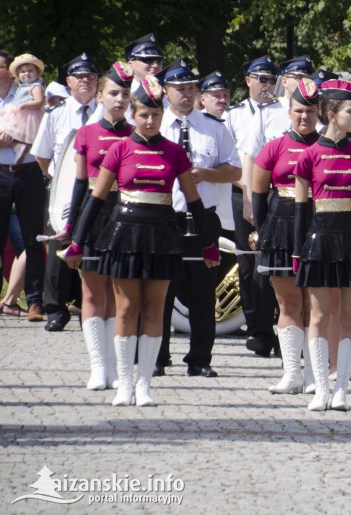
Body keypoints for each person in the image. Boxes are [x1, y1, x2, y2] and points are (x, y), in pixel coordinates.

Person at [62, 76, 220, 407]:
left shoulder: (175, 152)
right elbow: (96, 198)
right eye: (143, 115)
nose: (149, 121)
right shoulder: (119, 149)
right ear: (134, 114)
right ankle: (124, 383)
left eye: (155, 116)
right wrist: (76, 241)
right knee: (126, 308)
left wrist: (209, 243)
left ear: (162, 115)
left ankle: (145, 383)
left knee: (154, 308)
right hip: (124, 235)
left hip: (162, 236)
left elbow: (193, 201)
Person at [293, 79, 351, 412]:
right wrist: (299, 251)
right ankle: (321, 388)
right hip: (319, 240)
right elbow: (301, 210)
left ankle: (341, 387)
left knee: (350, 315)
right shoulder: (310, 156)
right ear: (331, 114)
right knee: (319, 315)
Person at [156, 59, 242, 378]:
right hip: (166, 218)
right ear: (166, 92)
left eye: (191, 88)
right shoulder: (156, 127)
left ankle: (199, 359)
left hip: (204, 219)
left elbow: (235, 170)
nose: (187, 94)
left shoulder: (213, 128)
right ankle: (157, 356)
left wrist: (207, 173)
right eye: (180, 89)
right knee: (161, 292)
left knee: (203, 295)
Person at [63, 62, 134, 390]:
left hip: (126, 215)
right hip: (94, 213)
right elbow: (80, 183)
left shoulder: (136, 134)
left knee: (120, 294)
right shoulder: (86, 133)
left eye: (125, 93)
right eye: (114, 93)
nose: (120, 99)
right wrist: (72, 224)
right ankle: (98, 366)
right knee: (92, 292)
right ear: (101, 96)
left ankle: (118, 366)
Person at [252, 78, 321, 394]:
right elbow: (258, 193)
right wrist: (263, 232)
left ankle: (314, 374)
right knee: (288, 303)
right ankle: (292, 371)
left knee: (314, 305)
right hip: (281, 226)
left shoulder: (327, 147)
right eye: (298, 111)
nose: (304, 117)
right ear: (289, 111)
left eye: (309, 111)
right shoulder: (274, 147)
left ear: (319, 111)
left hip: (318, 227)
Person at [30, 53, 99, 331]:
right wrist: (58, 182)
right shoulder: (56, 113)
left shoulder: (105, 112)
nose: (85, 81)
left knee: (93, 248)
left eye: (91, 77)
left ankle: (89, 307)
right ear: (68, 81)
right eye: (79, 77)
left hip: (97, 190)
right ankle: (56, 309)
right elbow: (42, 156)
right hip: (65, 192)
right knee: (60, 247)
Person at [226, 55, 286, 358]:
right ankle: (257, 329)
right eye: (261, 79)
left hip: (277, 194)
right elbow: (235, 162)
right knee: (250, 266)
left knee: (274, 263)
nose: (267, 85)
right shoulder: (234, 115)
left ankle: (278, 328)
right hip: (245, 193)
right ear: (248, 80)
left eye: (271, 79)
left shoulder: (282, 112)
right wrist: (249, 196)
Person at [1, 54, 46, 163]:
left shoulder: (28, 91)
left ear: (10, 73)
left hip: (31, 169)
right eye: (23, 71)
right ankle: (17, 146)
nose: (26, 74)